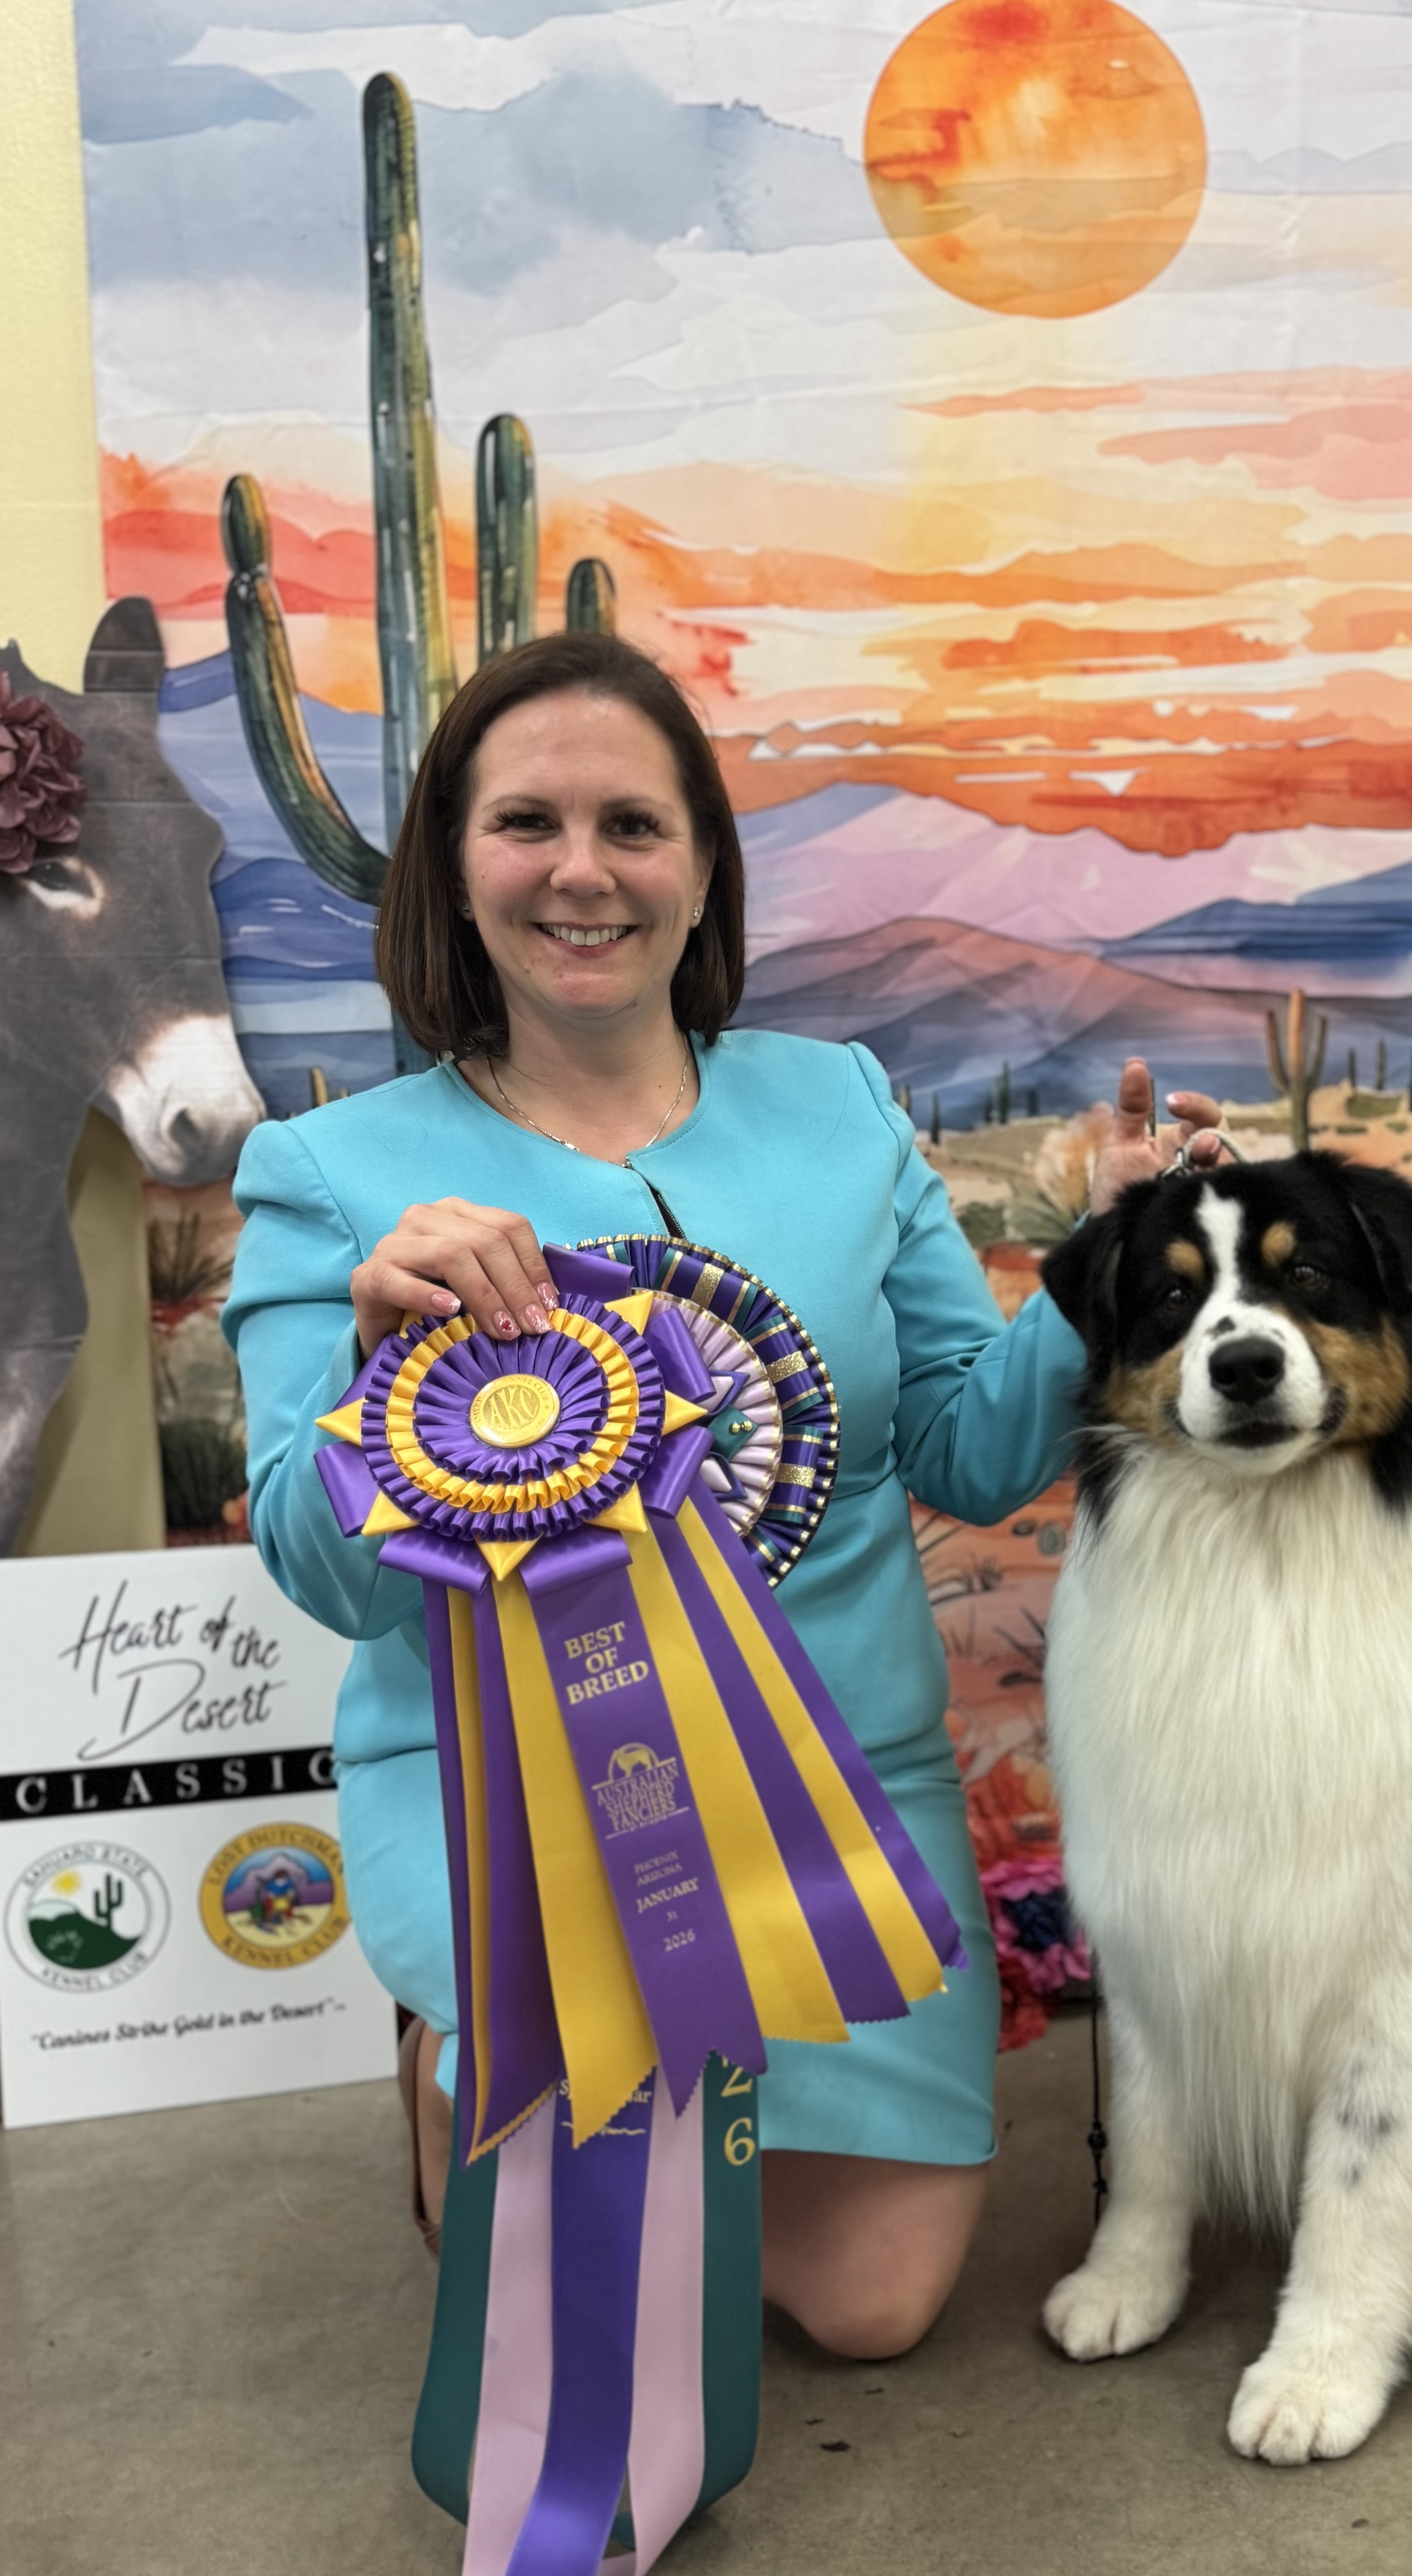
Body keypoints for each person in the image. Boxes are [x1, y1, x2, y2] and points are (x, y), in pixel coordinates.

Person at [224, 630, 1223, 2359]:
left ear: (701, 871)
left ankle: (604, 2122)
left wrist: (1106, 1262)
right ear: (453, 866)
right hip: (515, 1809)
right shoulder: (329, 1176)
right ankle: (459, 2044)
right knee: (604, 2294)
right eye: (527, 823)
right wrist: (375, 1388)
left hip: (842, 1790)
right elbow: (334, 1579)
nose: (583, 871)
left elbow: (970, 1453)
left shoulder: (840, 1105)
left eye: (634, 824)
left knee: (876, 2306)